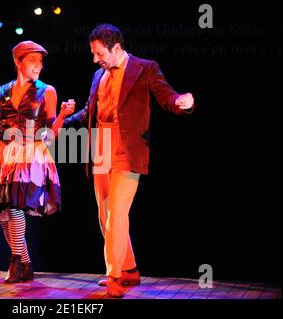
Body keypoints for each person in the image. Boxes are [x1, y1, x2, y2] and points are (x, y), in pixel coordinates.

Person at [65, 24, 195, 298]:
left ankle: (114, 276)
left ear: (116, 48)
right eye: (93, 53)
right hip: (101, 145)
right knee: (104, 213)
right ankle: (130, 270)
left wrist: (182, 102)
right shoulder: (97, 75)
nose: (95, 58)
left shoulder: (144, 68)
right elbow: (91, 111)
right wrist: (62, 123)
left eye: (99, 53)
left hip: (128, 147)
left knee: (117, 212)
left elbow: (165, 95)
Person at [0, 41, 75, 283]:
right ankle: (25, 264)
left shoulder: (48, 91)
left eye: (40, 62)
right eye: (32, 61)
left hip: (30, 152)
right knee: (4, 214)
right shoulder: (0, 92)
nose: (38, 66)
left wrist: (63, 116)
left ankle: (15, 263)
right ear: (18, 62)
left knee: (14, 205)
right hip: (3, 154)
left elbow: (51, 134)